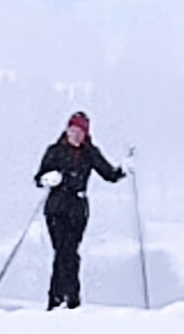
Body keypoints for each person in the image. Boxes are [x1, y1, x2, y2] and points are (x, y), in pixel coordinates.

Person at [34, 111, 126, 310]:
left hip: (77, 208)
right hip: (56, 207)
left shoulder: (90, 153)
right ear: (67, 130)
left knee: (68, 252)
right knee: (64, 251)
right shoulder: (54, 151)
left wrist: (124, 170)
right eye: (72, 130)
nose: (75, 135)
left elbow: (109, 174)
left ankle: (58, 299)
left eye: (79, 132)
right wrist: (47, 178)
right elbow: (38, 178)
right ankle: (70, 298)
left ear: (85, 134)